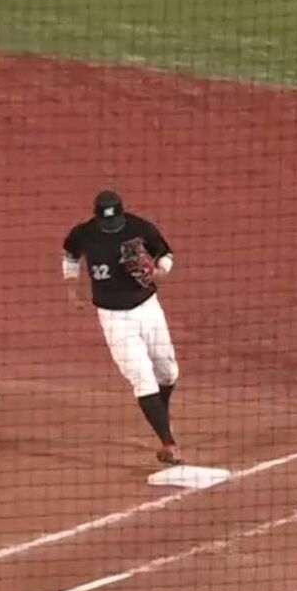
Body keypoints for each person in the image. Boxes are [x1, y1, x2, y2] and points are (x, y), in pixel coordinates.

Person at [62, 190, 184, 466]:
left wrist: (159, 272)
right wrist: (72, 288)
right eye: (106, 222)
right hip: (114, 318)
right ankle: (169, 444)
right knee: (143, 379)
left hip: (148, 309)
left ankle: (162, 415)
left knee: (168, 372)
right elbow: (70, 255)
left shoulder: (140, 228)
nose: (110, 226)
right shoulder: (84, 233)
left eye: (114, 222)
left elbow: (166, 253)